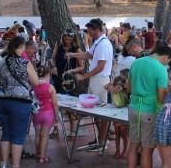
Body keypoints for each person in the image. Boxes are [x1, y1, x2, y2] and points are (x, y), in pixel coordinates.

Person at [0, 36, 40, 168]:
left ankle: (3, 165)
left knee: (6, 133)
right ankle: (15, 165)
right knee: (18, 136)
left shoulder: (2, 61)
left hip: (1, 100)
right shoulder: (25, 63)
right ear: (20, 47)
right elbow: (35, 82)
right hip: (19, 102)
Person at [69, 18, 114, 150]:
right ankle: (99, 140)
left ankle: (102, 142)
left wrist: (84, 76)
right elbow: (88, 55)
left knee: (101, 113)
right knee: (95, 112)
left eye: (90, 31)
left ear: (97, 30)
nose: (89, 34)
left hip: (100, 80)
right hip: (96, 80)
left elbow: (101, 66)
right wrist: (72, 55)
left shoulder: (104, 44)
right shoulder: (98, 42)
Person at [127, 44, 171, 168]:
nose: (166, 64)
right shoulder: (160, 69)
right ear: (165, 57)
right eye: (168, 61)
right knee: (147, 150)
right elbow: (161, 97)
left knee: (133, 146)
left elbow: (129, 88)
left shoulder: (136, 63)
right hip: (149, 111)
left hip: (133, 108)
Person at [32, 65, 59, 164]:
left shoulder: (34, 85)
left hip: (36, 113)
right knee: (45, 136)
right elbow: (55, 104)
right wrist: (56, 116)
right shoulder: (50, 87)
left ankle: (38, 153)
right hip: (48, 113)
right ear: (48, 74)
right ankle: (43, 157)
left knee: (37, 135)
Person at [105, 72, 130, 159]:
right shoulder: (113, 90)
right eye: (117, 84)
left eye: (120, 85)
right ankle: (117, 150)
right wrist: (111, 83)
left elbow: (127, 101)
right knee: (117, 133)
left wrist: (121, 87)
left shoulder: (124, 91)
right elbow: (105, 87)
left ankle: (125, 150)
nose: (118, 87)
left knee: (124, 134)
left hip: (123, 114)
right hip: (116, 114)